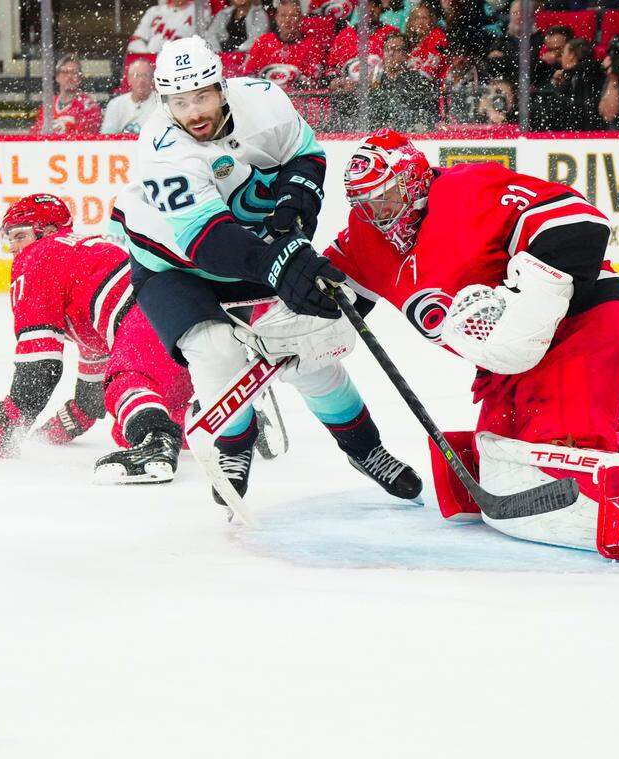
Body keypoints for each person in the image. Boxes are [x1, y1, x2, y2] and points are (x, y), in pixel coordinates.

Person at [324, 129, 619, 562]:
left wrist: (531, 310)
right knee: (500, 455)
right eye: (366, 202)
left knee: (558, 451)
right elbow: (326, 291)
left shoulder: (468, 189)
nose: (378, 212)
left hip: (586, 326)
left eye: (386, 197)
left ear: (414, 181)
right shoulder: (367, 236)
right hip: (514, 361)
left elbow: (579, 223)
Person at [117, 36, 421, 508]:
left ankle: (366, 450)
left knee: (311, 349)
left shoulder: (264, 99)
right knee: (215, 353)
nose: (193, 111)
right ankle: (235, 446)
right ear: (164, 102)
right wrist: (278, 264)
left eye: (201, 96)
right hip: (170, 262)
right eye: (179, 101)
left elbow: (306, 156)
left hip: (247, 245)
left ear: (222, 87)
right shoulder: (162, 150)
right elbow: (207, 239)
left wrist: (293, 211)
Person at [0, 193, 198, 484]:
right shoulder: (81, 258)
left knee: (126, 383)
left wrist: (8, 422)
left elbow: (39, 367)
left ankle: (156, 443)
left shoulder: (37, 257)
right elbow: (92, 394)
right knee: (133, 421)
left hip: (148, 317)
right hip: (185, 312)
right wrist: (68, 421)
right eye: (9, 239)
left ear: (46, 232)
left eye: (20, 236)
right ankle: (221, 422)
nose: (14, 249)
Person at [363, 31, 437, 131]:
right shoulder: (375, 80)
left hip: (409, 134)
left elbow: (428, 116)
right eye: (387, 49)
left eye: (396, 49)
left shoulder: (418, 80)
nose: (390, 53)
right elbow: (367, 115)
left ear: (406, 54)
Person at [243, 0, 325, 88]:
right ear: (276, 17)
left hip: (298, 98)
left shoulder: (311, 45)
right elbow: (248, 75)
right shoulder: (263, 42)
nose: (288, 20)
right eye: (283, 15)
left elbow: (314, 81)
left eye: (293, 16)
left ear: (301, 18)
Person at [535, 37, 605, 130]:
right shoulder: (596, 71)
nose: (561, 57)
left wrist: (557, 85)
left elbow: (569, 107)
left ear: (572, 55)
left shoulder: (578, 76)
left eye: (563, 52)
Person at [30, 53, 102, 135]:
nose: (69, 76)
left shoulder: (88, 106)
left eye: (74, 72)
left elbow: (86, 138)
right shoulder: (48, 104)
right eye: (65, 72)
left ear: (80, 78)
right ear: (57, 77)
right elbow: (36, 134)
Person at [102, 57, 157, 135]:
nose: (141, 80)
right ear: (129, 79)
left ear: (152, 79)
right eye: (136, 75)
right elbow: (107, 137)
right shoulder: (115, 104)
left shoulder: (162, 104)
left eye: (145, 75)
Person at [127, 0, 194, 54]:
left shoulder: (200, 13)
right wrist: (149, 56)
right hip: (151, 64)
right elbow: (135, 41)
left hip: (182, 62)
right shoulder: (154, 11)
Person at [202, 0, 268, 53]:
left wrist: (237, 53)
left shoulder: (259, 15)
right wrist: (216, 51)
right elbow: (211, 34)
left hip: (245, 56)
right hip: (221, 53)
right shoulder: (224, 13)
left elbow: (256, 39)